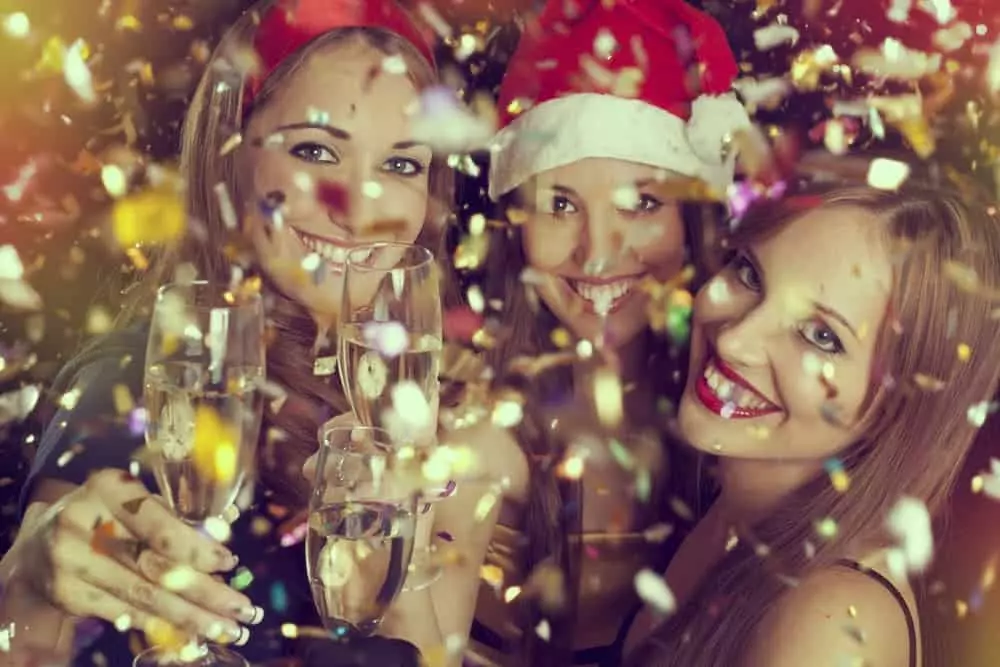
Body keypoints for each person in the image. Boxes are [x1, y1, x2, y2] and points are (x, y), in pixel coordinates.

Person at [0, 0, 491, 664]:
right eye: (316, 150)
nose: (360, 206)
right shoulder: (142, 384)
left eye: (401, 165)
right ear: (233, 159)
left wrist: (406, 557)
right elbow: (34, 640)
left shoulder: (434, 411)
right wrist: (29, 584)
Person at [460, 0, 751, 664]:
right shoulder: (469, 425)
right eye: (559, 203)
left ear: (693, 222)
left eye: (642, 202)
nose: (597, 253)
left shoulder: (749, 424)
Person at [620, 181, 1000, 667]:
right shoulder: (733, 508)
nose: (736, 339)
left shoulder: (830, 628)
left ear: (900, 408)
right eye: (750, 274)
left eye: (822, 336)